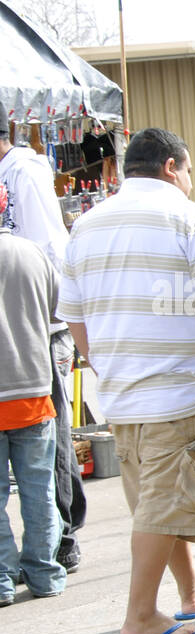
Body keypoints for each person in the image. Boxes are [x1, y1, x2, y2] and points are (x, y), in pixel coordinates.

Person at [60, 127, 195, 634]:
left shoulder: (87, 224)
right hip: (179, 388)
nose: (189, 179)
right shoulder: (189, 218)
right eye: (187, 170)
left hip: (122, 391)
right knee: (168, 501)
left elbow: (73, 315)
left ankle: (192, 590)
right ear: (171, 166)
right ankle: (141, 617)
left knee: (158, 498)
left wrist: (104, 361)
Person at [0, 120, 85, 572]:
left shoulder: (24, 172)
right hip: (23, 320)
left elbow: (49, 250)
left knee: (46, 445)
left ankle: (62, 538)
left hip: (41, 325)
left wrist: (54, 323)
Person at [0, 182, 66, 606]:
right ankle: (45, 575)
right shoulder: (32, 253)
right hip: (34, 393)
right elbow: (61, 313)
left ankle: (2, 581)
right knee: (39, 490)